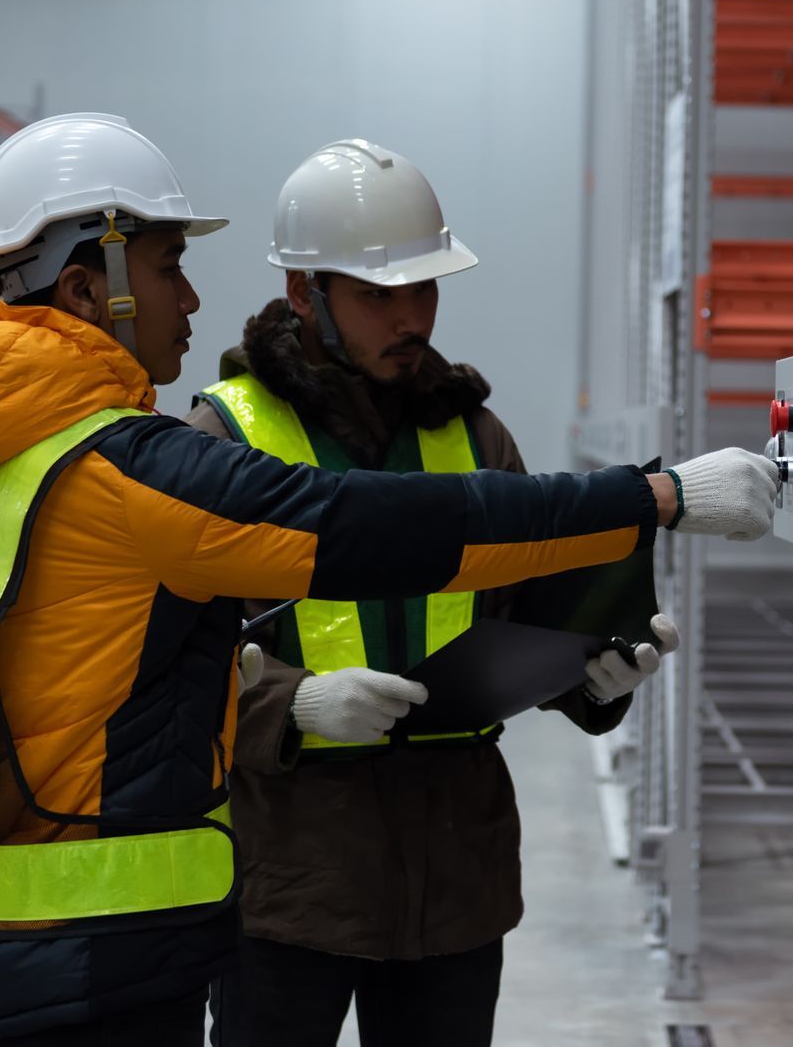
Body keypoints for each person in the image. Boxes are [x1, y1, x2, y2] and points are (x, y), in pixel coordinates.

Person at [0, 114, 780, 1047]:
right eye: (171, 268)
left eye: (425, 286)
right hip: (164, 931)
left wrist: (587, 681)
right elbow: (364, 529)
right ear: (94, 287)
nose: (193, 299)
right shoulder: (148, 468)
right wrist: (656, 496)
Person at [185, 140, 676, 1047]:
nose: (411, 317)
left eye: (426, 289)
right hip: (290, 874)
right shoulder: (225, 438)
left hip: (454, 875)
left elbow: (523, 619)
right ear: (305, 295)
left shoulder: (476, 436)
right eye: (380, 295)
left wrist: (587, 677)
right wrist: (294, 706)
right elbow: (173, 659)